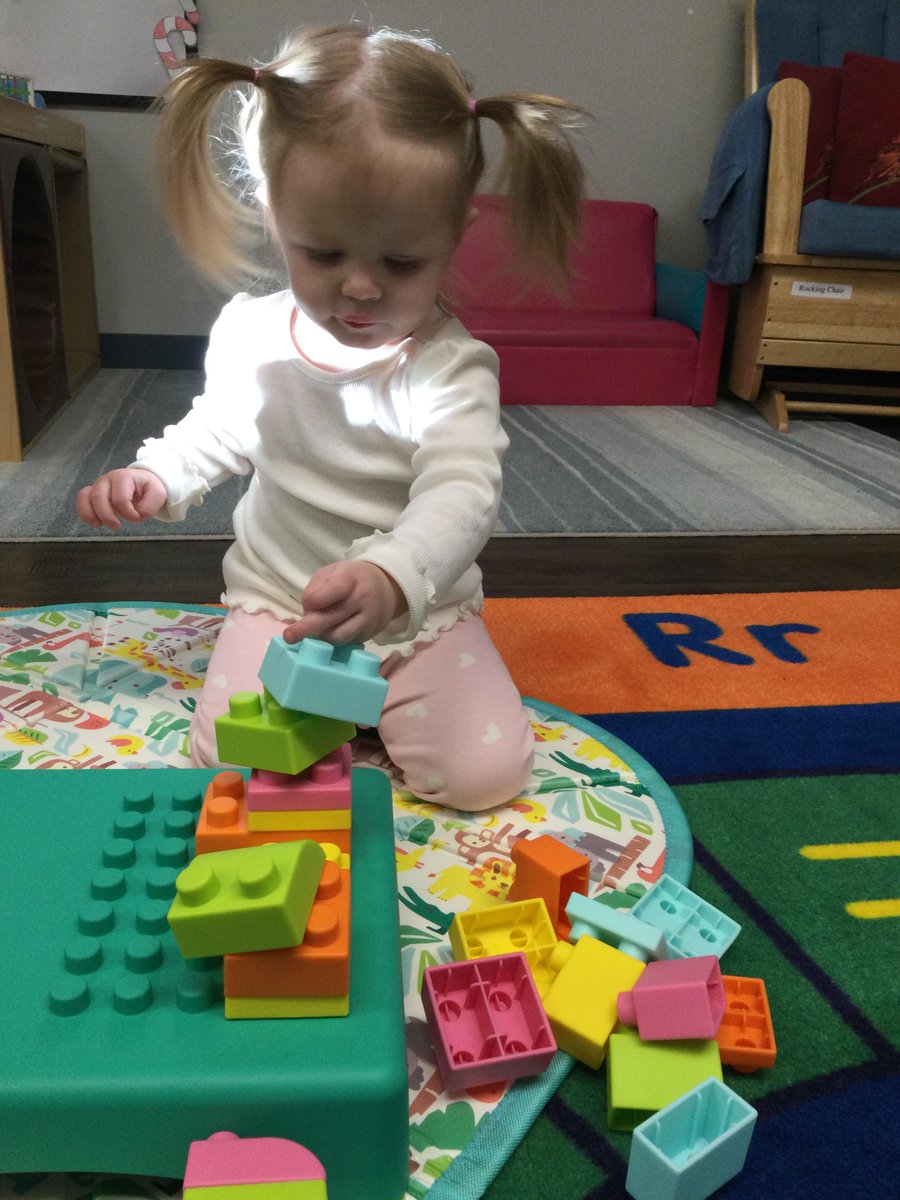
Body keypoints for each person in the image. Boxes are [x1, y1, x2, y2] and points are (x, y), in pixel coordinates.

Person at [76, 23, 587, 811]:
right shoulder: (251, 333)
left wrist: (393, 576)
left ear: (456, 232)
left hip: (419, 615)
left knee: (489, 778)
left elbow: (463, 493)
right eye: (322, 253)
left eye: (400, 262)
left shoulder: (449, 368)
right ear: (275, 213)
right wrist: (156, 473)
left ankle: (372, 712)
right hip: (284, 604)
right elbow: (222, 428)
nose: (358, 289)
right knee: (233, 769)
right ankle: (338, 721)